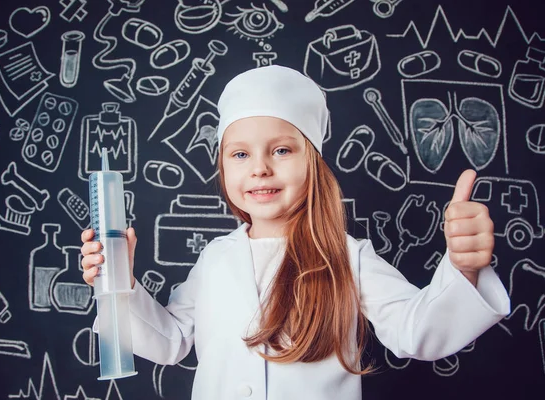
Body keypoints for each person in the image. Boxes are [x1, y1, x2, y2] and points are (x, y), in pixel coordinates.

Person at [81, 65, 510, 399]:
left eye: (282, 150)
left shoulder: (346, 256)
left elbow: (416, 332)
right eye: (240, 153)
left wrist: (463, 267)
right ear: (223, 167)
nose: (260, 167)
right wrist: (119, 285)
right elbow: (171, 341)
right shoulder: (215, 257)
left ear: (315, 164)